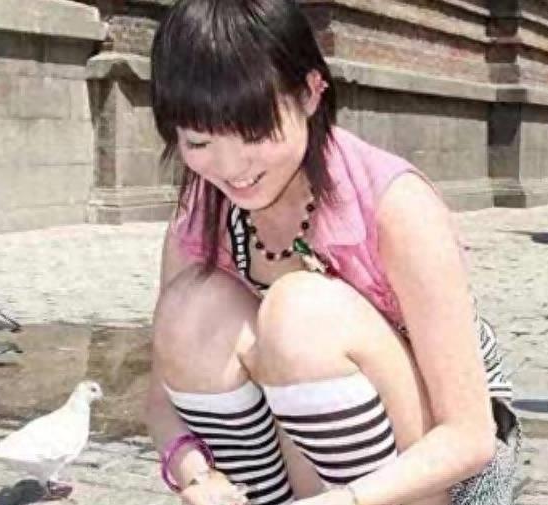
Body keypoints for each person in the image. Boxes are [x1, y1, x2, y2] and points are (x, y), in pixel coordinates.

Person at [143, 1, 520, 505]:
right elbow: (161, 398)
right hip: (296, 463)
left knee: (300, 313)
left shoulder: (396, 204)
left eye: (254, 131)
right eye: (199, 141)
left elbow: (470, 437)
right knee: (190, 309)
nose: (231, 167)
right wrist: (196, 476)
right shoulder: (200, 213)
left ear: (310, 92)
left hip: (435, 477)